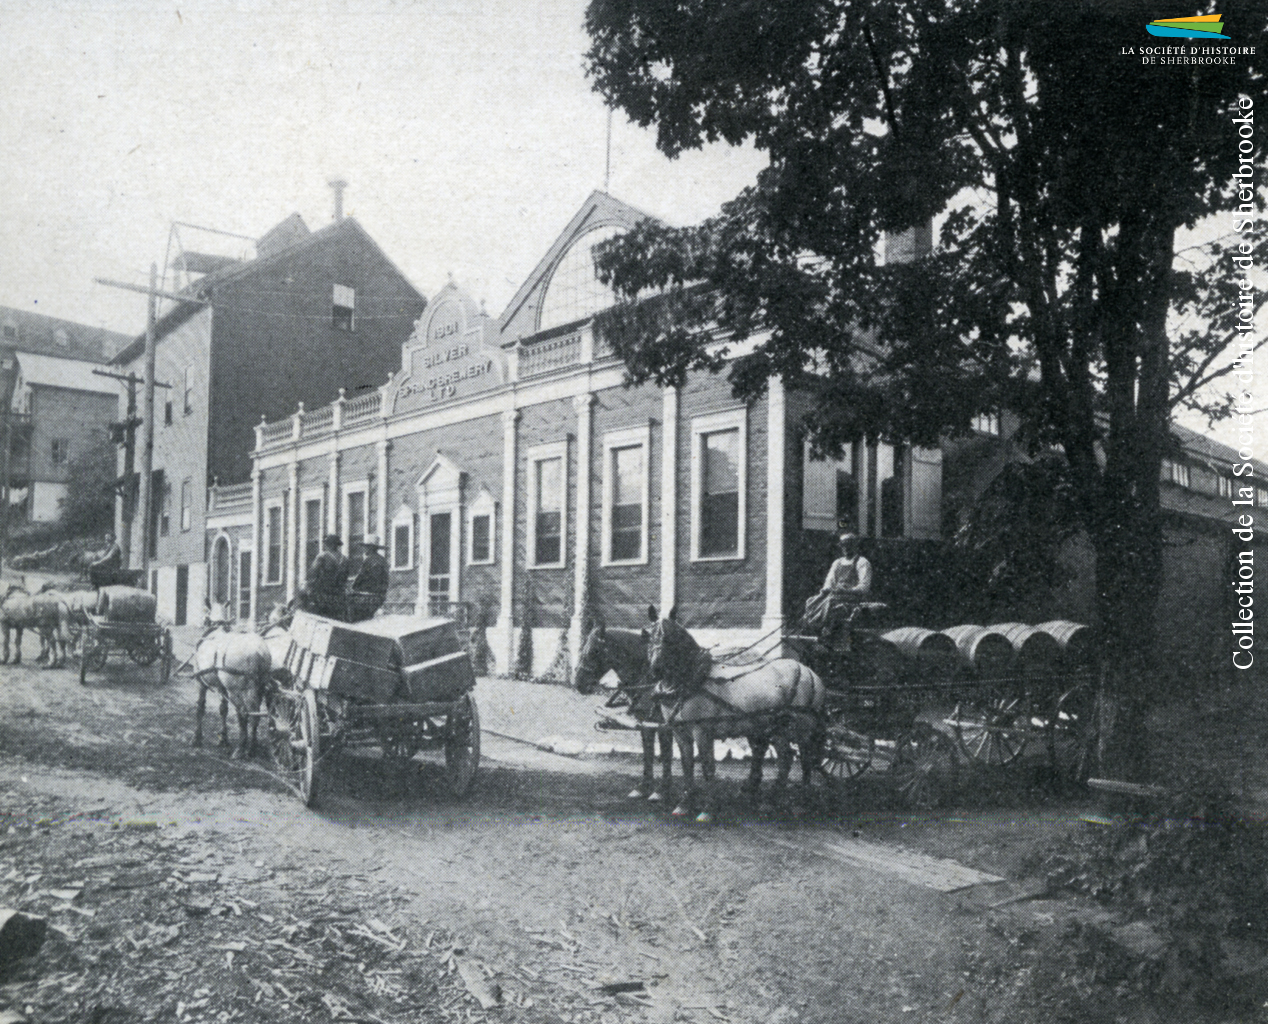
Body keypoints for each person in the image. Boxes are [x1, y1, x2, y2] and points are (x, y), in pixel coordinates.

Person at [803, 531, 873, 635]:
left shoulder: (862, 562)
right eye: (843, 545)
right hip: (836, 594)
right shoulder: (837, 563)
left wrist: (847, 590)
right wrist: (825, 589)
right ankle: (809, 625)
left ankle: (823, 627)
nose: (845, 548)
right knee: (811, 601)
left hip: (852, 598)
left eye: (848, 545)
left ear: (854, 545)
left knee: (831, 601)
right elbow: (830, 581)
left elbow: (864, 587)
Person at [301, 534, 347, 619]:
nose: (325, 546)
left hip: (323, 594)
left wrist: (307, 586)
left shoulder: (322, 556)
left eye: (327, 544)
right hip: (339, 594)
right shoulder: (344, 559)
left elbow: (311, 573)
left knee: (302, 599)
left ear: (330, 544)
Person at [347, 534, 389, 622]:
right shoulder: (383, 560)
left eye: (366, 547)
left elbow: (359, 578)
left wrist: (353, 588)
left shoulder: (368, 560)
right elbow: (386, 581)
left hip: (367, 597)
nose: (364, 549)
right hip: (380, 596)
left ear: (371, 548)